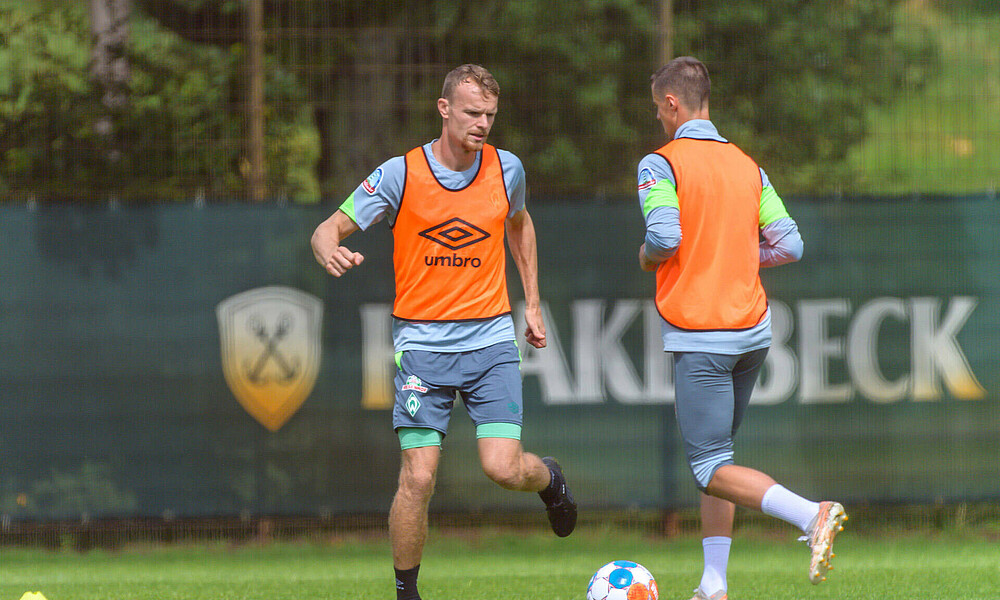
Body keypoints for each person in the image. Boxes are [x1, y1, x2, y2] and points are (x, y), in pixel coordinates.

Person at [311, 63, 577, 600]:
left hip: (490, 342)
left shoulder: (507, 169)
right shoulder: (400, 174)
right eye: (473, 112)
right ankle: (406, 592)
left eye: (491, 115)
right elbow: (326, 229)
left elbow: (520, 224)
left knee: (502, 469)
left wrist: (532, 302)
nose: (483, 124)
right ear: (444, 108)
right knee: (418, 477)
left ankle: (549, 478)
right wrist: (329, 250)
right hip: (422, 348)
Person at [636, 57, 846, 600]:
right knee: (719, 457)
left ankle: (811, 514)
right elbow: (790, 244)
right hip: (752, 332)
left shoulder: (661, 164)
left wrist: (647, 256)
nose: (657, 117)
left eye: (658, 107)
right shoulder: (748, 166)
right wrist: (737, 257)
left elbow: (664, 237)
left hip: (703, 332)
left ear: (672, 104)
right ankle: (714, 584)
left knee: (708, 467)